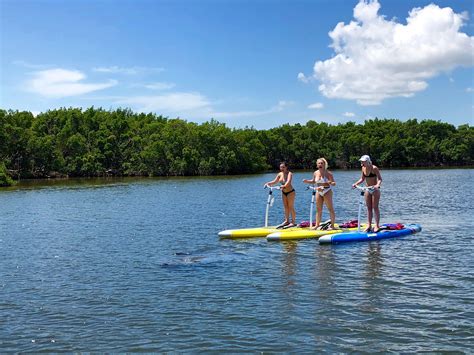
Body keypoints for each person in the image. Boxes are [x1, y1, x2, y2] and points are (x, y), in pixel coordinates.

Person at [303, 158, 336, 230]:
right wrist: (306, 181)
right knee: (318, 209)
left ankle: (332, 226)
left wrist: (330, 182)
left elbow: (334, 183)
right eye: (319, 163)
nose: (320, 165)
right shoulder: (315, 173)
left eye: (322, 163)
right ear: (317, 164)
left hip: (327, 191)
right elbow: (313, 181)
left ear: (324, 164)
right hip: (319, 191)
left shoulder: (328, 173)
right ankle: (317, 225)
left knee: (330, 209)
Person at [352, 155, 382, 232]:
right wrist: (355, 184)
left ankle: (377, 226)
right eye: (361, 161)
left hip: (375, 189)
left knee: (375, 207)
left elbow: (380, 179)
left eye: (363, 161)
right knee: (368, 208)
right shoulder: (363, 168)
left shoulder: (374, 168)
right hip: (367, 189)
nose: (362, 163)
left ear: (368, 161)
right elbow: (362, 179)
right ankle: (369, 225)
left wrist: (377, 185)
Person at [264, 162, 296, 228]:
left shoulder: (289, 173)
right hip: (283, 192)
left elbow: (288, 182)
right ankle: (287, 221)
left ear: (286, 167)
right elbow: (275, 181)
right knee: (285, 207)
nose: (282, 168)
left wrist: (283, 186)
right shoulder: (280, 174)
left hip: (290, 192)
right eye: (281, 167)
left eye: (283, 167)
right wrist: (268, 183)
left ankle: (293, 222)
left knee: (290, 206)